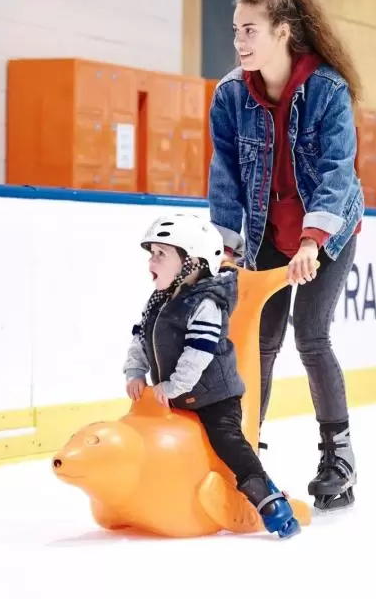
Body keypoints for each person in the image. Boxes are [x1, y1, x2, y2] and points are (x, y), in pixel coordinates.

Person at [206, 0, 363, 512]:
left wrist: (314, 240)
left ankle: (337, 454)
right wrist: (227, 246)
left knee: (311, 335)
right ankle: (246, 446)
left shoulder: (328, 91)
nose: (240, 42)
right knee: (257, 339)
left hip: (329, 229)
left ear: (283, 32)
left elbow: (338, 172)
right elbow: (225, 174)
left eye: (251, 30)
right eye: (235, 31)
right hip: (269, 234)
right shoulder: (230, 95)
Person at [122, 213, 301, 539]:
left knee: (227, 442)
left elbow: (199, 352)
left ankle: (267, 498)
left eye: (161, 253)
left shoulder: (206, 303)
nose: (152, 260)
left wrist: (174, 385)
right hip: (176, 396)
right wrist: (136, 371)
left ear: (191, 262)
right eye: (152, 253)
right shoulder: (159, 299)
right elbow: (141, 337)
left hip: (213, 398)